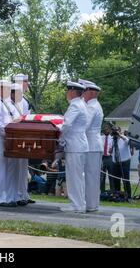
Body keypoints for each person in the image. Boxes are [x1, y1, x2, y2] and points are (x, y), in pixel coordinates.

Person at [59, 81, 89, 213]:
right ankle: (80, 204)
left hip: (74, 145)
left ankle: (76, 205)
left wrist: (59, 138)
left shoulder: (75, 105)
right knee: (78, 177)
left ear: (72, 92)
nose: (66, 93)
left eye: (67, 91)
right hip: (79, 144)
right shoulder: (81, 104)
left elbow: (66, 124)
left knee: (74, 177)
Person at [80, 79, 104, 213]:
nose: (82, 94)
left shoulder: (91, 107)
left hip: (91, 145)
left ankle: (89, 204)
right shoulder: (95, 105)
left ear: (90, 92)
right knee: (92, 177)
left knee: (89, 176)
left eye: (83, 91)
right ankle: (93, 204)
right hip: (94, 145)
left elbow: (85, 125)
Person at [8, 83, 35, 206]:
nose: (27, 85)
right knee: (18, 169)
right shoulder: (13, 103)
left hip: (23, 136)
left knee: (23, 168)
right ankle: (18, 194)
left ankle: (23, 193)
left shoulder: (23, 100)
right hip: (17, 137)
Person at [110, 127, 132, 200]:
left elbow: (128, 141)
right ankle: (117, 195)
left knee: (125, 180)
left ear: (120, 132)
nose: (115, 134)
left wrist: (120, 135)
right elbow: (110, 151)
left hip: (125, 161)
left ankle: (128, 196)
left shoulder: (124, 138)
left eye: (117, 132)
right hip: (115, 162)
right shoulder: (113, 140)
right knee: (116, 180)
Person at [100, 126, 114, 193]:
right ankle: (102, 192)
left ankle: (112, 191)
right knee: (102, 176)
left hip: (109, 157)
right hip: (102, 158)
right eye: (104, 130)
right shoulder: (100, 138)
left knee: (111, 175)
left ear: (109, 130)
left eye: (107, 129)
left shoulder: (112, 138)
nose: (105, 131)